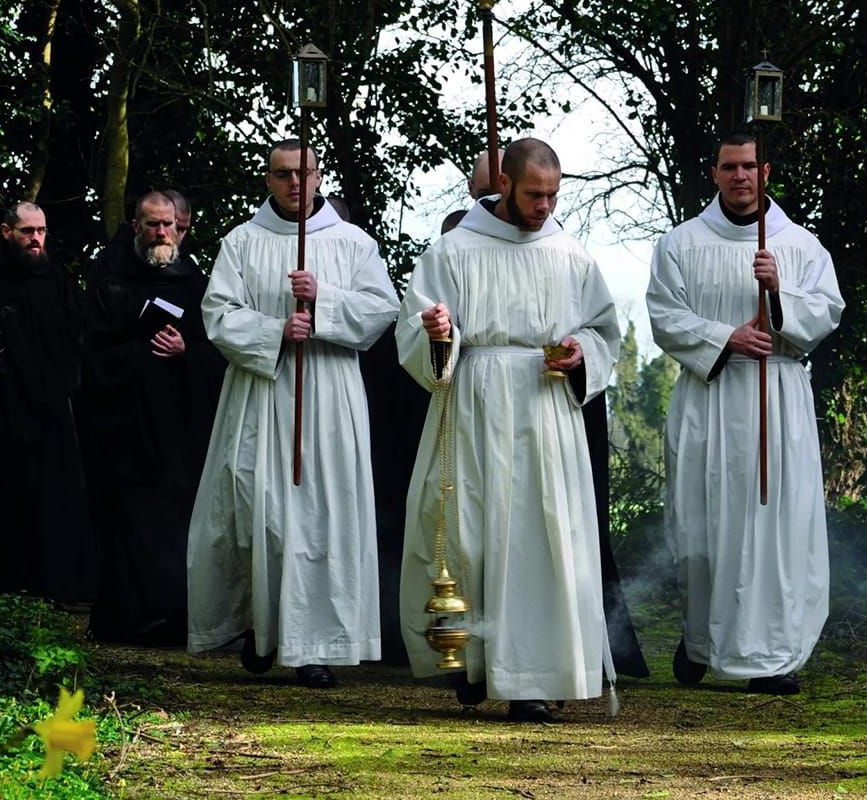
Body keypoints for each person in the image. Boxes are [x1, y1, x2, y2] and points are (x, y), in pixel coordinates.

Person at [397, 138, 621, 723]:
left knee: (542, 540)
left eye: (552, 195)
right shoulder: (453, 251)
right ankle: (472, 663)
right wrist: (439, 332)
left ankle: (534, 678)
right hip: (473, 401)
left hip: (545, 413)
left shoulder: (570, 255)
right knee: (471, 532)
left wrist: (580, 354)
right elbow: (415, 338)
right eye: (533, 194)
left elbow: (604, 330)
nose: (544, 206)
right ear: (506, 182)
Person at [187, 140, 399, 689]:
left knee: (322, 514)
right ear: (267, 180)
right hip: (262, 391)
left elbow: (382, 310)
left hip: (328, 396)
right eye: (282, 175)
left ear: (318, 174)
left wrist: (322, 299)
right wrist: (274, 330)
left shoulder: (353, 243)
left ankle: (317, 644)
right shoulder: (241, 242)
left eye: (302, 173)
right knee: (261, 510)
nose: (293, 184)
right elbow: (217, 312)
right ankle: (263, 629)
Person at [645, 132, 844, 695]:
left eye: (750, 166)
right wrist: (725, 336)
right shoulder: (680, 244)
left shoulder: (800, 245)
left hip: (775, 400)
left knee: (773, 526)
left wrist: (779, 293)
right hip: (710, 399)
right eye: (730, 166)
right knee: (705, 524)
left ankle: (771, 654)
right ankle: (702, 640)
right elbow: (663, 315)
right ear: (714, 172)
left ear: (766, 171)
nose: (740, 176)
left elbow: (827, 311)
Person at [83, 191, 223, 645]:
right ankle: (124, 620)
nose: (161, 232)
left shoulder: (199, 287)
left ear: (180, 228)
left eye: (168, 224)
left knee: (179, 523)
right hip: (124, 430)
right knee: (125, 526)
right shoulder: (108, 285)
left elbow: (219, 354)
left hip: (180, 433)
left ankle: (179, 619)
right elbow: (92, 356)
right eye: (151, 224)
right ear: (136, 227)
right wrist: (142, 350)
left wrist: (187, 352)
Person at [0, 202, 95, 601]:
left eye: (41, 231)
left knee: (51, 503)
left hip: (50, 412)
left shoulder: (57, 281)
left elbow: (76, 340)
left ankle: (50, 588)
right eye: (27, 232)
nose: (36, 239)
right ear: (6, 232)